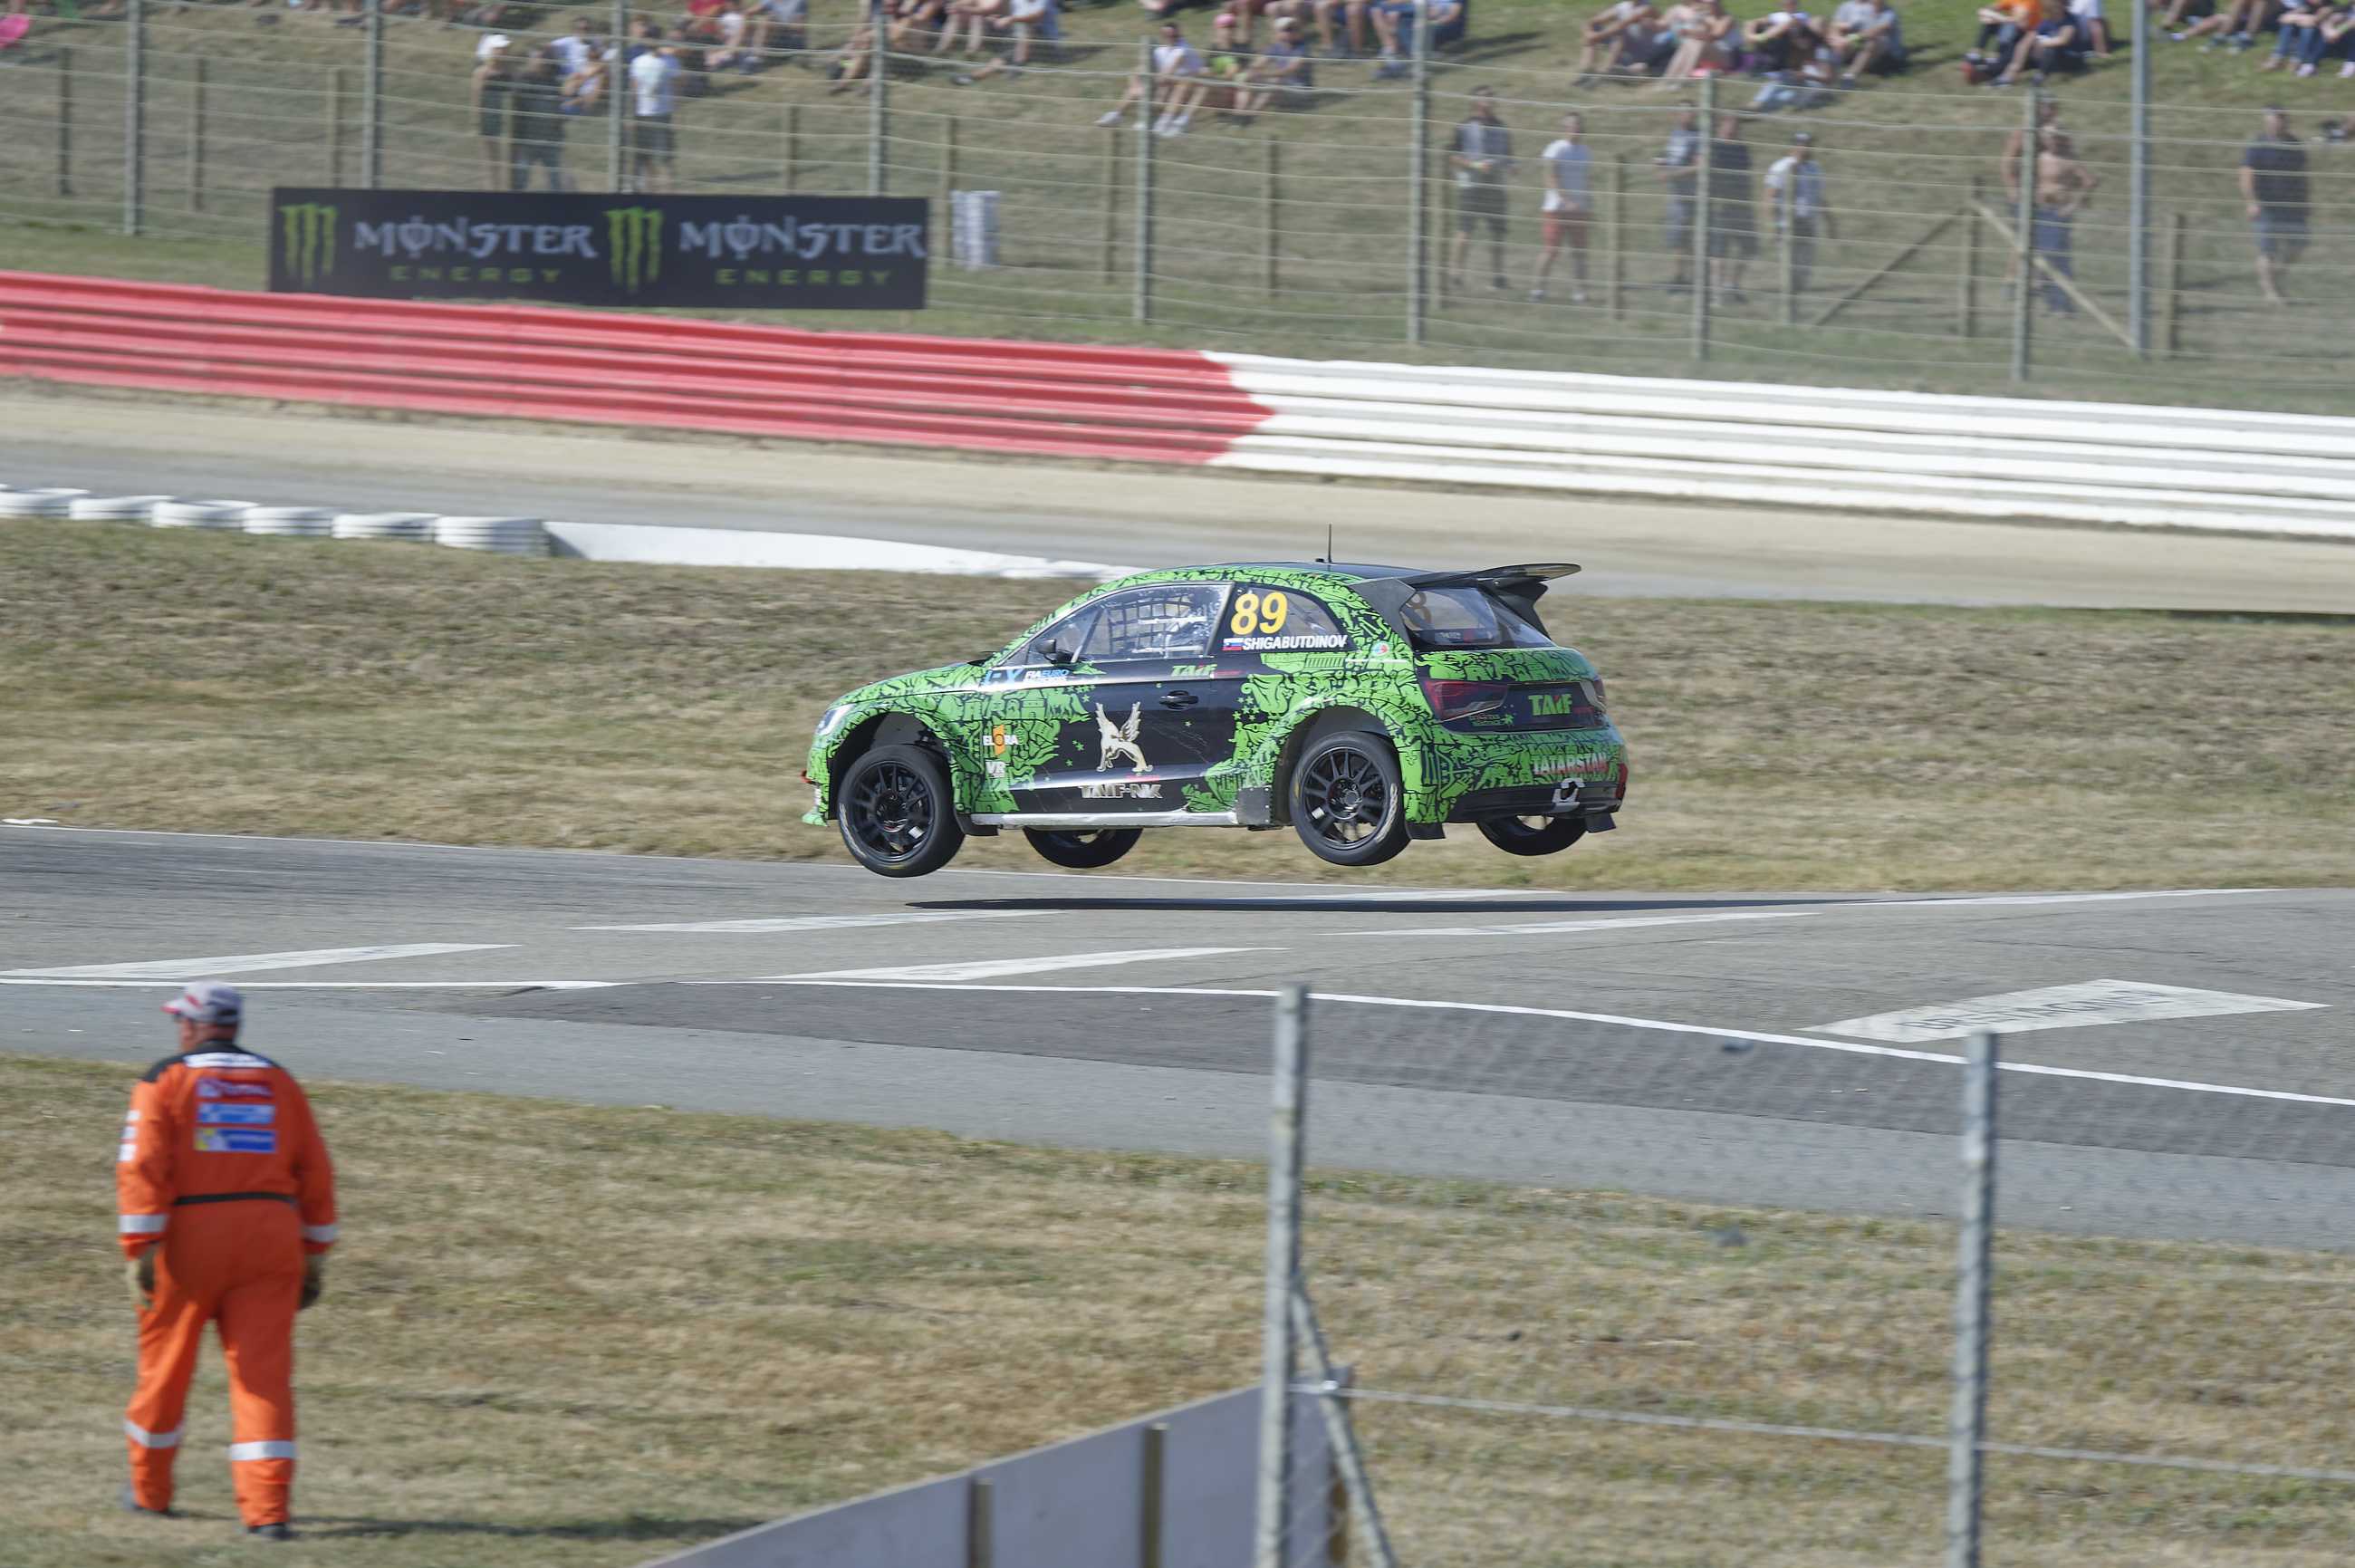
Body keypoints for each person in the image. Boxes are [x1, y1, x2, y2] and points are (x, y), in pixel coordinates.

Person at [118, 983, 337, 1540]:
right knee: (262, 1379)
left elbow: (142, 1165)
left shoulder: (163, 1080)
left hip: (190, 1238)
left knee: (165, 1372)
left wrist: (140, 1246)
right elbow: (314, 1171)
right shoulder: (279, 1081)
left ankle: (150, 1492)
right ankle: (268, 1513)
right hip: (272, 1237)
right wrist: (314, 1253)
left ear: (192, 1026)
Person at [1447, 84, 1514, 293]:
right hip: (1472, 185)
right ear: (1475, 101)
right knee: (1465, 231)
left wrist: (1512, 166)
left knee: (1497, 233)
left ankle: (1498, 277)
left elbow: (1509, 156)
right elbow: (1453, 157)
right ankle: (1455, 274)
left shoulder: (1502, 128)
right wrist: (1476, 165)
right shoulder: (1464, 127)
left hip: (1495, 185)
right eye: (1485, 97)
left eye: (1491, 96)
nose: (1490, 100)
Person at [2241, 106, 2310, 303]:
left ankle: (2274, 277)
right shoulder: (2258, 145)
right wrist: (2251, 202)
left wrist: (2306, 201)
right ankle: (2269, 291)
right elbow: (2246, 175)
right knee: (2267, 250)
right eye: (2271, 121)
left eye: (2279, 120)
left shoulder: (2294, 144)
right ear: (2266, 122)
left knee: (2300, 244)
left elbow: (2302, 176)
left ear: (2285, 122)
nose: (2275, 124)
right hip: (2266, 206)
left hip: (2292, 204)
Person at [1096, 22, 1209, 137]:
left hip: (1190, 82)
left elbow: (1169, 72)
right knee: (1136, 88)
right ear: (1162, 36)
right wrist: (1135, 83)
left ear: (1179, 35)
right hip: (1171, 81)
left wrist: (1151, 83)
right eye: (1167, 35)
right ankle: (1116, 115)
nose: (1170, 38)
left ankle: (1161, 121)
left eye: (1174, 36)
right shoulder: (1160, 50)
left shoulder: (1183, 49)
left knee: (1169, 87)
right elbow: (1142, 68)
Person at [2028, 125, 2095, 313]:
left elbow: (2090, 182)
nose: (2051, 140)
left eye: (2055, 137)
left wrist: (2072, 206)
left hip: (2058, 213)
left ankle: (2064, 304)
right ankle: (2051, 303)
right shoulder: (2040, 158)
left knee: (2057, 258)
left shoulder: (2069, 160)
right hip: (2040, 210)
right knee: (2043, 257)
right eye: (2047, 137)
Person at [1530, 111, 1592, 303]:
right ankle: (1537, 290)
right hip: (1556, 209)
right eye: (1573, 125)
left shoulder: (1585, 151)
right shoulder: (1555, 149)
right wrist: (1566, 200)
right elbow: (1550, 177)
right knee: (1551, 250)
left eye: (1579, 125)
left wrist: (1588, 203)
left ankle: (1579, 292)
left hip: (1579, 209)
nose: (1577, 129)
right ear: (1564, 128)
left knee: (1579, 252)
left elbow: (1585, 180)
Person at [1763, 128, 1834, 294]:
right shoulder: (1781, 167)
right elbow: (1769, 196)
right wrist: (1773, 225)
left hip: (1808, 222)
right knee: (1789, 264)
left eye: (1808, 145)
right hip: (1787, 222)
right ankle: (1789, 300)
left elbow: (1819, 197)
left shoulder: (1814, 168)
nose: (1805, 148)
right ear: (1793, 147)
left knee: (1805, 266)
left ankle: (1797, 299)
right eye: (1801, 145)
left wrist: (1830, 221)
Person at [1708, 111, 1758, 303]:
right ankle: (1717, 293)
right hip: (1722, 204)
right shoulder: (1714, 147)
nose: (1734, 128)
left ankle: (1732, 285)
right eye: (1730, 124)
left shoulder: (1741, 149)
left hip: (1742, 204)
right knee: (1719, 250)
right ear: (1722, 125)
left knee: (1750, 247)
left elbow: (1745, 175)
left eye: (1737, 125)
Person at [508, 44, 572, 189]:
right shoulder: (522, 82)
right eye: (537, 58)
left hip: (550, 141)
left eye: (544, 58)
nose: (541, 61)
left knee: (557, 182)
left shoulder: (554, 83)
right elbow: (516, 115)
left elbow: (559, 112)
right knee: (520, 180)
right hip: (527, 142)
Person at [630, 30, 683, 190]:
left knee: (665, 154)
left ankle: (668, 185)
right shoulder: (637, 62)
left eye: (655, 38)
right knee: (644, 154)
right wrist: (632, 115)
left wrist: (677, 110)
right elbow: (634, 89)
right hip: (643, 114)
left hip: (663, 113)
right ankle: (649, 185)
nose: (652, 42)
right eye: (649, 38)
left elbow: (678, 85)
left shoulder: (670, 61)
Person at [1658, 104, 1701, 290]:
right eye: (1684, 111)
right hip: (1675, 194)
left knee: (1686, 236)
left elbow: (1699, 165)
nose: (1687, 115)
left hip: (1690, 194)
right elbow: (1666, 157)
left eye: (1690, 111)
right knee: (1677, 237)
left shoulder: (1697, 136)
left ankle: (1687, 277)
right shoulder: (1675, 134)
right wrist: (1660, 166)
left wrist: (1673, 174)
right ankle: (1679, 277)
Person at [470, 35, 514, 192]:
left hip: (507, 121)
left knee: (506, 160)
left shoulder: (509, 70)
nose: (504, 50)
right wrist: (477, 122)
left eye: (505, 47)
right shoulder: (482, 73)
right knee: (491, 160)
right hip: (489, 120)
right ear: (491, 50)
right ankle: (492, 190)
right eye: (500, 48)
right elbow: (476, 98)